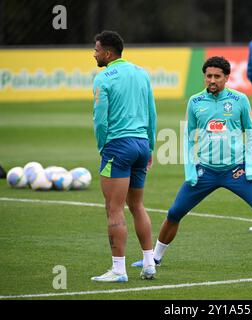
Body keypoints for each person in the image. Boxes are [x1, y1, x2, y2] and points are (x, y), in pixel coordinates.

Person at [132, 56, 252, 273]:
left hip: (236, 171)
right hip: (205, 171)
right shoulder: (195, 102)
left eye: (217, 76)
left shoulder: (240, 100)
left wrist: (250, 167)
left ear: (226, 78)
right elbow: (188, 137)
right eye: (208, 76)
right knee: (175, 213)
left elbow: (251, 134)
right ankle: (155, 259)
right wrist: (190, 170)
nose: (212, 80)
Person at [90, 30, 157, 282]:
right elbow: (152, 112)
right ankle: (149, 263)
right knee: (137, 205)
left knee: (113, 209)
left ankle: (118, 270)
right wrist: (149, 146)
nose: (94, 54)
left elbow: (100, 119)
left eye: (96, 50)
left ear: (107, 53)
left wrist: (102, 147)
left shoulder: (103, 77)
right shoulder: (141, 73)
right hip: (141, 144)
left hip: (118, 146)